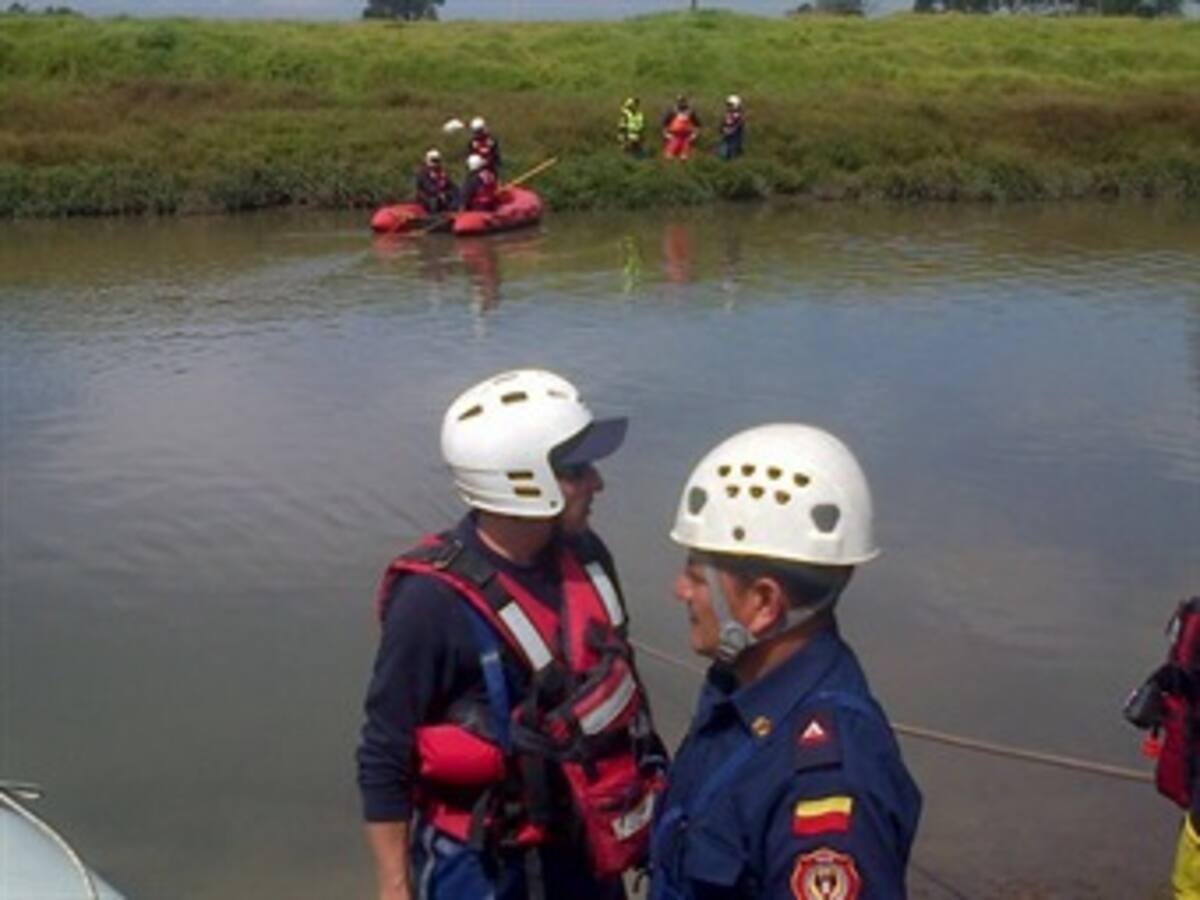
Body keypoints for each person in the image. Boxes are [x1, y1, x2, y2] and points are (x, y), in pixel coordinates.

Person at [357, 369, 667, 900]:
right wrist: (394, 885)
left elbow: (623, 695)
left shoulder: (589, 559)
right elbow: (385, 751)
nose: (597, 483)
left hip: (585, 847)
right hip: (485, 865)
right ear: (525, 483)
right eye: (577, 471)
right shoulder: (431, 604)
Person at [650, 424, 922, 899]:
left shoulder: (824, 783)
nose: (680, 591)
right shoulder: (740, 689)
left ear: (763, 603)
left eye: (696, 577)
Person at [414, 148, 459, 215]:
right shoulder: (423, 174)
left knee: (454, 195)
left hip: (442, 197)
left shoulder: (442, 173)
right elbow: (428, 187)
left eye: (437, 161)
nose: (435, 163)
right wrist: (439, 193)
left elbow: (451, 186)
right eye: (433, 160)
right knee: (434, 201)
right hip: (428, 199)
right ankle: (434, 216)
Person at [662, 94, 701, 160]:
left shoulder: (690, 112)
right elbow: (665, 124)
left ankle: (683, 158)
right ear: (677, 102)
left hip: (686, 137)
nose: (681, 103)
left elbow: (697, 125)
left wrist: (694, 135)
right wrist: (666, 134)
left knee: (685, 156)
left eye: (683, 101)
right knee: (669, 155)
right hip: (674, 136)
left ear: (685, 102)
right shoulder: (672, 112)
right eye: (679, 101)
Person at [717, 95, 745, 161]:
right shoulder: (728, 114)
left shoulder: (739, 116)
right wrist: (722, 129)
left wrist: (729, 130)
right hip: (726, 138)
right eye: (728, 105)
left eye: (730, 105)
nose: (729, 107)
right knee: (722, 154)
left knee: (732, 154)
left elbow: (737, 126)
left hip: (735, 139)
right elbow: (723, 125)